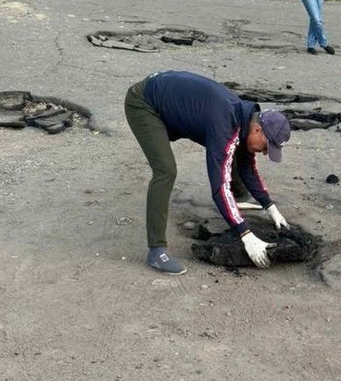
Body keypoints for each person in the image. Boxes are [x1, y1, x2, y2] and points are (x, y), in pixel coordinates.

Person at [124, 70, 292, 274]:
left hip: (173, 103)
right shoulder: (224, 124)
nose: (266, 152)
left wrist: (269, 206)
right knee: (165, 170)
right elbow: (219, 185)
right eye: (267, 146)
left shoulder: (244, 118)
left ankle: (236, 199)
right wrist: (246, 235)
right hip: (145, 105)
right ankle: (156, 251)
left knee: (238, 152)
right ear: (258, 130)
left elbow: (247, 167)